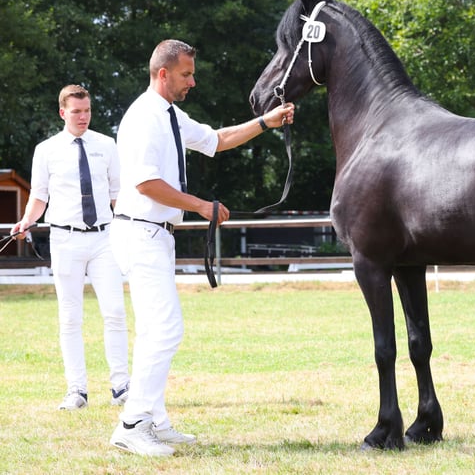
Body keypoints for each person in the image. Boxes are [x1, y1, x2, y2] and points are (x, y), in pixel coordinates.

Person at [108, 39, 295, 457]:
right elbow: (144, 183)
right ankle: (132, 424)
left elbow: (217, 139)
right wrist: (201, 206)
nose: (192, 81)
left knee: (156, 331)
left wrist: (266, 121)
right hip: (141, 232)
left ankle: (152, 420)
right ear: (163, 74)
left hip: (155, 234)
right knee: (166, 329)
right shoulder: (142, 118)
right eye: (186, 74)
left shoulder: (170, 115)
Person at [11, 85, 130, 410]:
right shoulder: (46, 150)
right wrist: (25, 221)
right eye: (77, 111)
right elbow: (39, 195)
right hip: (65, 239)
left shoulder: (107, 145)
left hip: (105, 237)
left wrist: (128, 227)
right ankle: (76, 391)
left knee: (116, 313)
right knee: (70, 318)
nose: (83, 117)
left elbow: (118, 192)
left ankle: (122, 387)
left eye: (87, 110)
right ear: (63, 112)